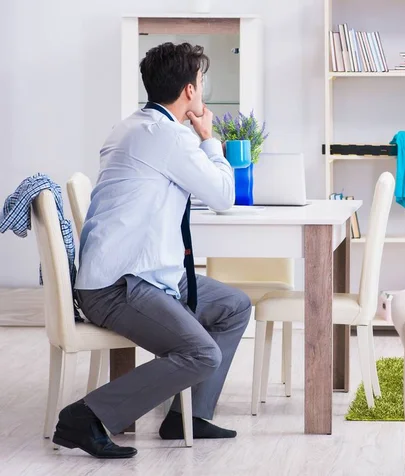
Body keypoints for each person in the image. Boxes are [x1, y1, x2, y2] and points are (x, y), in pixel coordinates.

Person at [51, 42, 252, 459]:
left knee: (233, 305)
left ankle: (187, 416)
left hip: (143, 272)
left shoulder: (134, 126)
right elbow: (223, 196)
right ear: (189, 91)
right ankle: (86, 416)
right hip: (119, 284)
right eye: (201, 81)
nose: (202, 88)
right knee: (200, 353)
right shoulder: (169, 138)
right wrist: (209, 139)